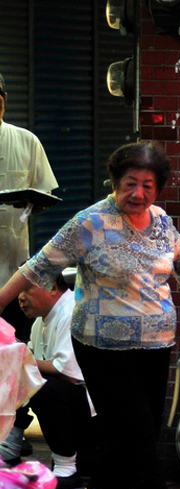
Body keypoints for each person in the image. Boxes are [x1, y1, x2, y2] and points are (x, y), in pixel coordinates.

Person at [0, 141, 180, 489]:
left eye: (148, 185)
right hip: (102, 346)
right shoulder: (89, 223)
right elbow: (38, 266)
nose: (139, 193)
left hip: (156, 344)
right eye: (130, 183)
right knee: (136, 426)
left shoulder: (161, 222)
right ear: (114, 182)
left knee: (135, 427)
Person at [0, 273, 94, 489]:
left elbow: (66, 372)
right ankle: (9, 447)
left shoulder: (72, 311)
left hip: (92, 409)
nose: (20, 298)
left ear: (51, 287)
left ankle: (66, 467)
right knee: (15, 372)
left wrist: (19, 356)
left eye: (26, 290)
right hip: (70, 401)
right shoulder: (39, 323)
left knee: (42, 387)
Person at [0, 71, 59, 342]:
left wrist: (34, 204)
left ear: (5, 99)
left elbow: (44, 193)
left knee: (14, 344)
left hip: (15, 267)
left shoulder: (27, 140)